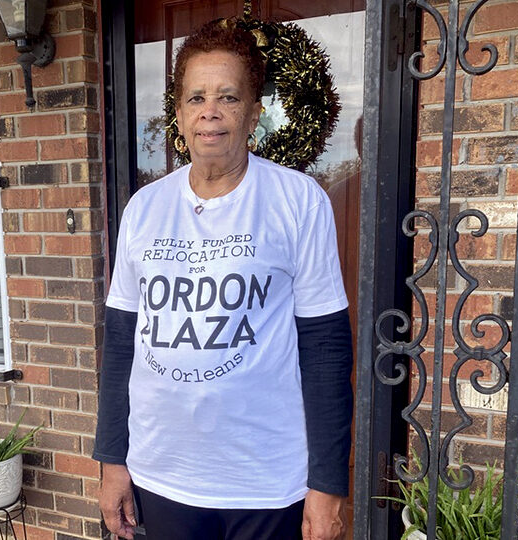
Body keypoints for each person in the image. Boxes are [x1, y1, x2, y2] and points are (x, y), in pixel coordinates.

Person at [93, 19, 353, 540]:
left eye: (228, 97)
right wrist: (111, 461)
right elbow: (122, 341)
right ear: (180, 114)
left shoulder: (298, 201)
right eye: (195, 97)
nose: (210, 110)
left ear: (254, 113)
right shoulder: (144, 209)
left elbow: (326, 349)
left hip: (263, 481)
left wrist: (326, 484)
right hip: (160, 472)